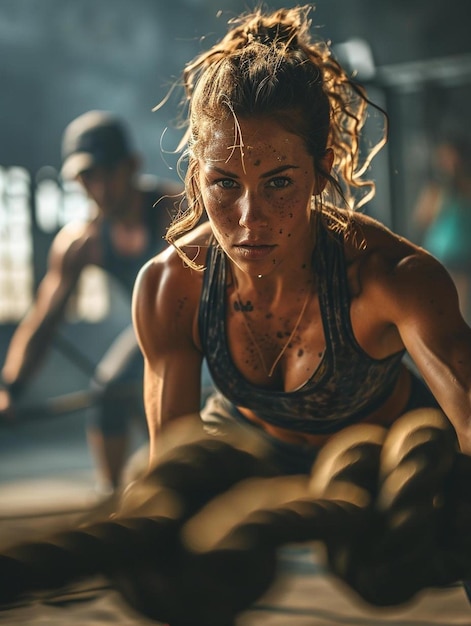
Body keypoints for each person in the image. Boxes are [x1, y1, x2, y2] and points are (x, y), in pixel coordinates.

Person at [132, 3, 471, 483]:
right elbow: (169, 468)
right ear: (197, 177)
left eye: (278, 183)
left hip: (383, 467)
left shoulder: (388, 279)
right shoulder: (171, 287)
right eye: (225, 184)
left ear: (320, 170)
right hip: (252, 456)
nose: (250, 219)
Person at [0, 110, 183, 494]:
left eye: (105, 173)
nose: (97, 188)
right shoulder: (83, 243)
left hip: (208, 317)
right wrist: (10, 389)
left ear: (131, 166)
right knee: (110, 390)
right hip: (154, 327)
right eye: (86, 178)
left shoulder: (176, 211)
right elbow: (43, 321)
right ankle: (114, 500)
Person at [413, 129, 471, 323]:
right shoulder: (435, 189)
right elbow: (422, 218)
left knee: (461, 311)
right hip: (437, 256)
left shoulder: (466, 186)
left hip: (462, 258)